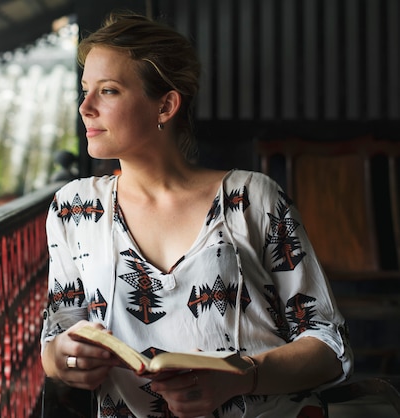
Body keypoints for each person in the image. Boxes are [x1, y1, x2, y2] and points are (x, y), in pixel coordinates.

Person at [40, 12, 352, 418]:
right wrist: (66, 359)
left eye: (109, 91)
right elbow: (56, 339)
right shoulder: (75, 210)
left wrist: (242, 377)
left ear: (166, 105)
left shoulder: (251, 198)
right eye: (85, 91)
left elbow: (330, 344)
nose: (85, 108)